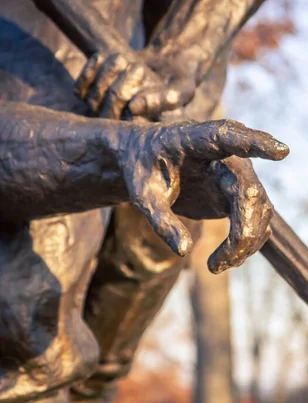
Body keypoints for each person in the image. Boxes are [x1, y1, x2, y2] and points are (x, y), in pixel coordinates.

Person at [0, 1, 286, 401]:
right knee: (38, 334)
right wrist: (127, 150)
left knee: (148, 246)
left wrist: (185, 51)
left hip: (168, 66)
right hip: (47, 69)